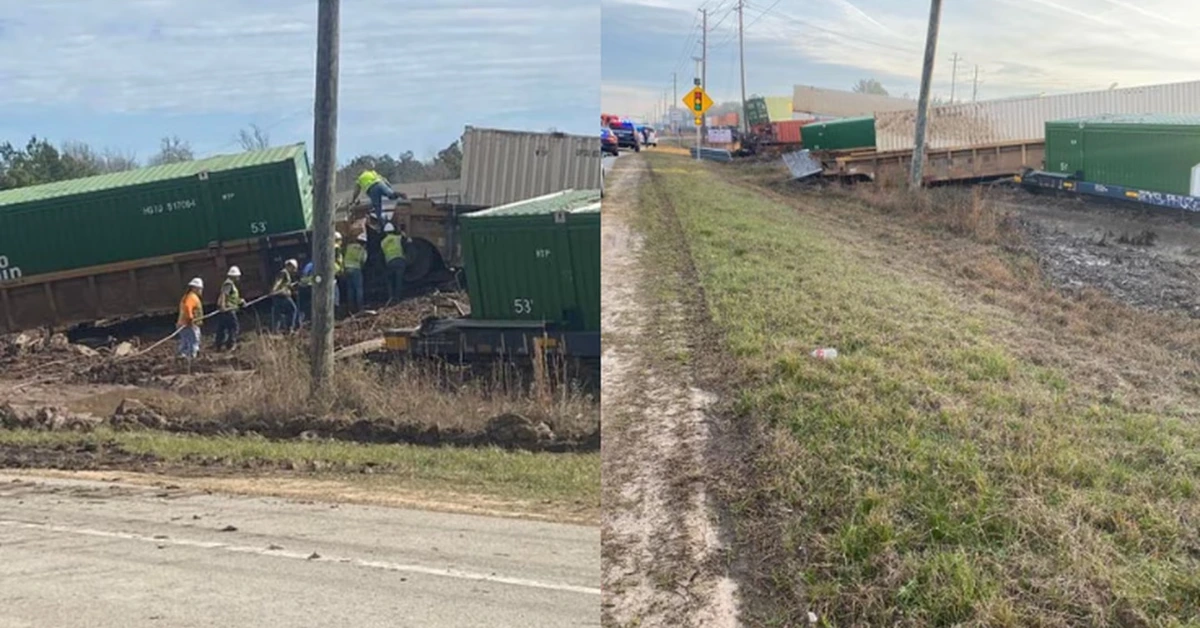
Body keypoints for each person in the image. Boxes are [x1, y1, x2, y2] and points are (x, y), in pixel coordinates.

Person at [350, 163, 407, 227]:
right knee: (390, 195)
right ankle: (399, 194)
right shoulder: (372, 172)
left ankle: (382, 225)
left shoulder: (359, 179)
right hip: (380, 183)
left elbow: (356, 191)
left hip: (372, 189)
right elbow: (384, 179)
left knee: (378, 207)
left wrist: (353, 200)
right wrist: (389, 188)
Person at [214, 266, 243, 351]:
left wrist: (240, 301)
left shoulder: (230, 284)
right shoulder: (228, 284)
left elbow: (232, 297)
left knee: (222, 328)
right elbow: (224, 295)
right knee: (234, 327)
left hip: (228, 309)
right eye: (238, 276)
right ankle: (230, 345)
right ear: (234, 276)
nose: (238, 277)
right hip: (228, 310)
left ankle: (218, 345)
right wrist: (223, 306)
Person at [177, 277, 204, 359]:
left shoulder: (186, 296)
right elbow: (188, 308)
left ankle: (182, 356)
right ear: (194, 288)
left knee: (185, 342)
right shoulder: (192, 297)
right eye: (200, 289)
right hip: (189, 324)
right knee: (193, 342)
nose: (201, 291)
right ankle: (191, 358)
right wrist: (191, 319)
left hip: (182, 323)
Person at [270, 259, 299, 333]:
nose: (294, 270)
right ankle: (289, 329)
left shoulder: (286, 274)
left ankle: (275, 330)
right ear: (289, 266)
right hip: (282, 296)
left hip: (278, 296)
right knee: (292, 310)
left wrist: (291, 288)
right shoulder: (284, 273)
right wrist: (274, 290)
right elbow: (278, 282)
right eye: (294, 268)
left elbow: (285, 284)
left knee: (278, 314)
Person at [380, 223, 407, 303]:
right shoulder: (397, 238)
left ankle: (390, 296)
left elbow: (382, 254)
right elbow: (406, 239)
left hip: (390, 262)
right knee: (399, 280)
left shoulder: (383, 242)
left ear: (385, 232)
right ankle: (398, 297)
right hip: (400, 261)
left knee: (389, 279)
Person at [342, 232, 368, 313]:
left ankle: (351, 308)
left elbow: (343, 254)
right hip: (356, 269)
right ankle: (360, 308)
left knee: (350, 289)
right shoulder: (362, 250)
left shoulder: (349, 246)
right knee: (358, 289)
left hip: (347, 268)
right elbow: (363, 261)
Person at [297, 260, 315, 326]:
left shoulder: (309, 265)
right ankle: (305, 321)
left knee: (304, 306)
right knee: (308, 305)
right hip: (308, 287)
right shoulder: (315, 266)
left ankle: (302, 321)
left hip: (304, 286)